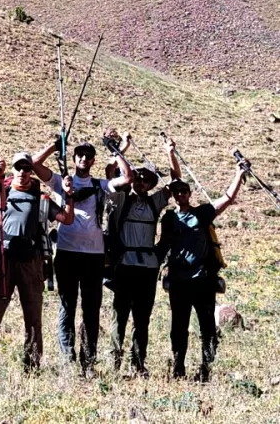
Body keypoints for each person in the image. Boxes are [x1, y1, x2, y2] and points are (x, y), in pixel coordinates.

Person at [31, 136, 123, 374]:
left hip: (94, 254)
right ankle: (67, 359)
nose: (83, 158)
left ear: (93, 161)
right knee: (67, 307)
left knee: (91, 310)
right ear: (73, 158)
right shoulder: (60, 181)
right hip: (67, 252)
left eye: (88, 156)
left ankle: (88, 361)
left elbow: (127, 179)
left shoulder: (101, 184)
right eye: (79, 154)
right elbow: (34, 164)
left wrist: (118, 152)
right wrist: (54, 146)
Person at [0, 152, 74, 372]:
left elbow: (67, 218)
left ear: (32, 171)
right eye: (18, 168)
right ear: (12, 170)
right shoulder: (2, 193)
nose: (22, 172)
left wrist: (69, 195)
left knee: (33, 316)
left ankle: (32, 367)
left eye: (27, 168)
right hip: (4, 259)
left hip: (32, 262)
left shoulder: (41, 198)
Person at [160, 158, 247, 382]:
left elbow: (227, 199)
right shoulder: (168, 218)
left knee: (207, 326)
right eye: (176, 192)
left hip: (202, 279)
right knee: (178, 327)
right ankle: (178, 367)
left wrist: (238, 175)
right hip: (178, 280)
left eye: (184, 191)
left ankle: (206, 368)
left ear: (190, 194)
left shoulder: (202, 213)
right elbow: (162, 245)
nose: (180, 194)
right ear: (173, 195)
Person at [106, 133, 180, 376]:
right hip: (124, 265)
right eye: (137, 178)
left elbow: (175, 183)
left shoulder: (154, 203)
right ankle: (114, 362)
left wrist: (170, 153)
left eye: (146, 180)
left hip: (148, 267)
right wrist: (120, 149)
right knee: (119, 315)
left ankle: (138, 363)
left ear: (150, 185)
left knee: (142, 318)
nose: (140, 182)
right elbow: (112, 173)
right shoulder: (121, 199)